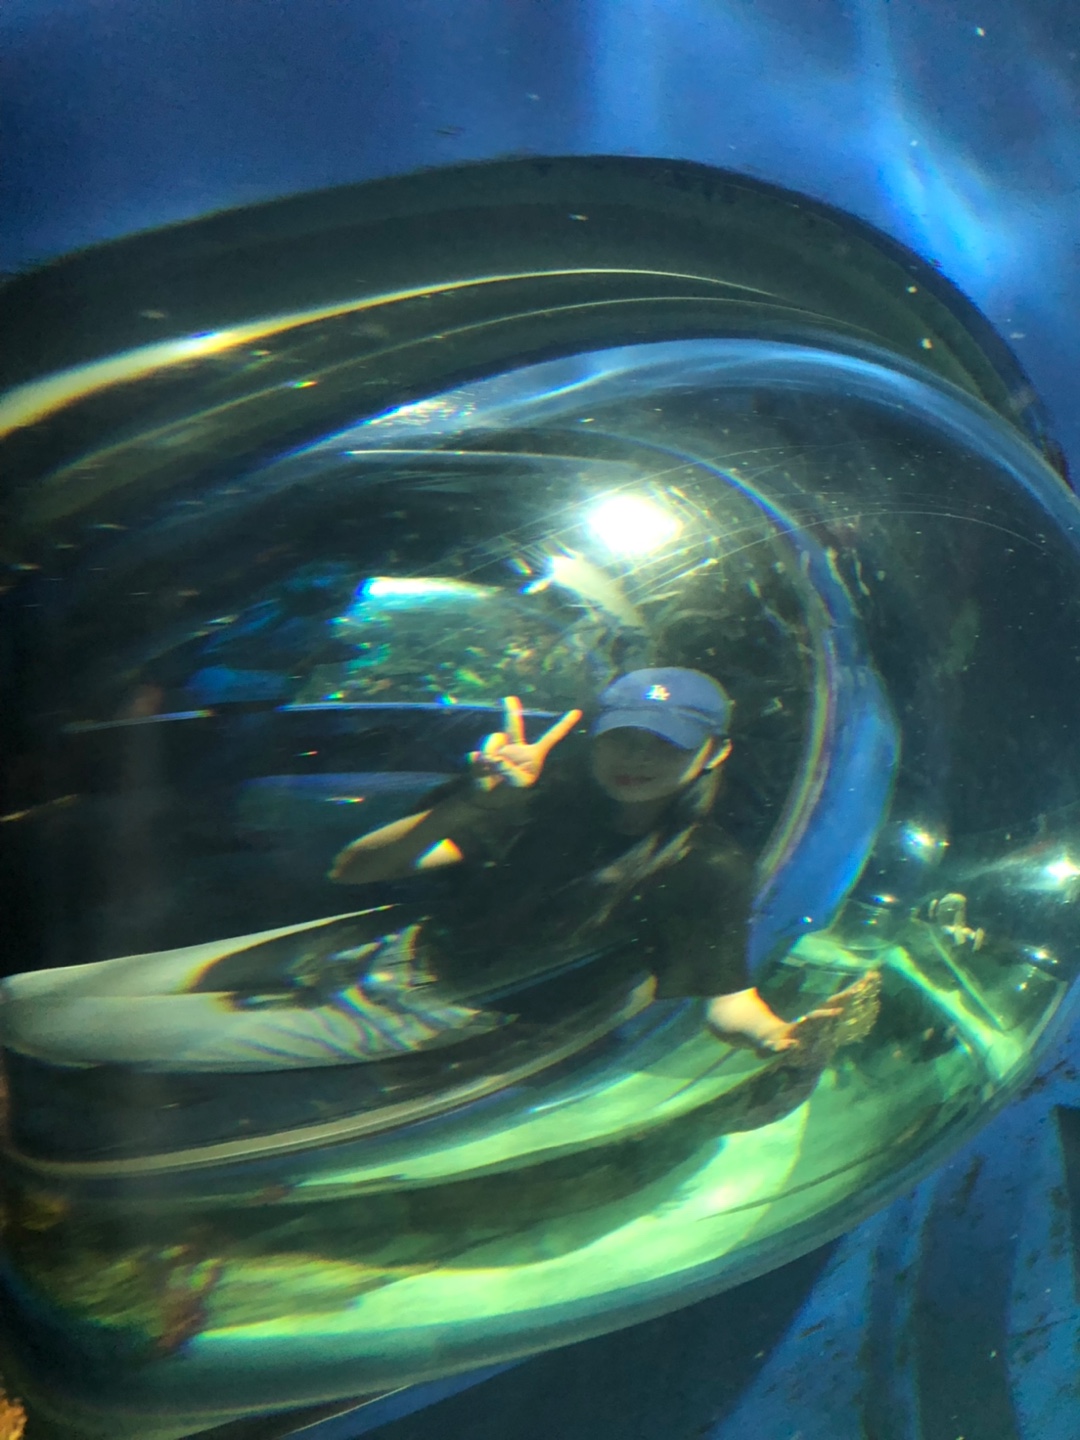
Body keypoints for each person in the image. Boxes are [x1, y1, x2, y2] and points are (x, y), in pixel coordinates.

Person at [331, 667, 846, 1054]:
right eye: (622, 737)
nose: (637, 757)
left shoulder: (705, 865)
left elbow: (728, 999)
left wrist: (778, 1036)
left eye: (665, 743)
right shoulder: (537, 799)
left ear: (715, 753)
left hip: (466, 1024)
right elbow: (354, 870)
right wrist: (472, 801)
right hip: (396, 957)